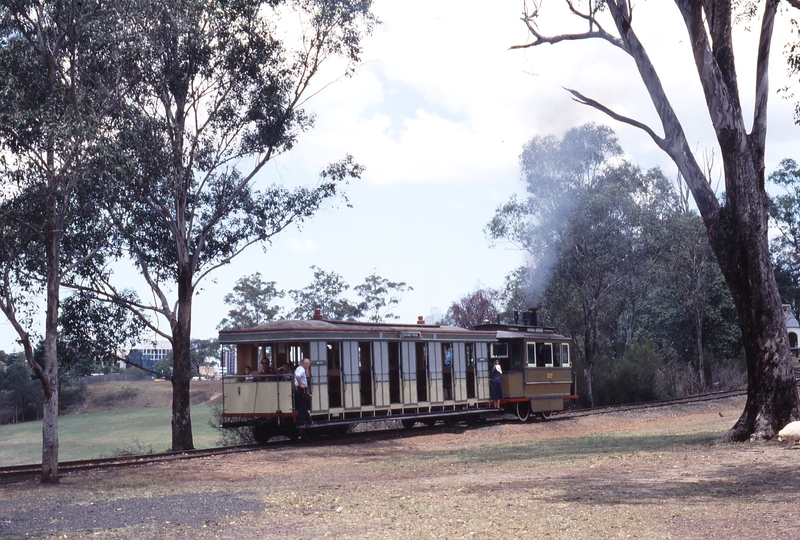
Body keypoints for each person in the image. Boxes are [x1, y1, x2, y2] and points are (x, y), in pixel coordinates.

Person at [294, 358, 314, 426]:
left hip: (298, 389)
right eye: (307, 364)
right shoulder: (302, 370)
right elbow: (297, 376)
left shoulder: (299, 368)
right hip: (300, 389)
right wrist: (300, 384)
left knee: (303, 405)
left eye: (309, 364)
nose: (308, 365)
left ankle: (309, 420)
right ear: (303, 364)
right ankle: (303, 421)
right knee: (302, 405)